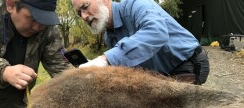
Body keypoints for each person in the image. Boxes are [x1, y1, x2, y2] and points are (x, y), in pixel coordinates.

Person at [71, 0, 209, 85]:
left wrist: (105, 59)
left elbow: (157, 33)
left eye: (85, 6)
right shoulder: (110, 36)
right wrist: (98, 68)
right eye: (79, 13)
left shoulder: (137, 4)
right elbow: (126, 64)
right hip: (160, 74)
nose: (83, 16)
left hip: (187, 64)